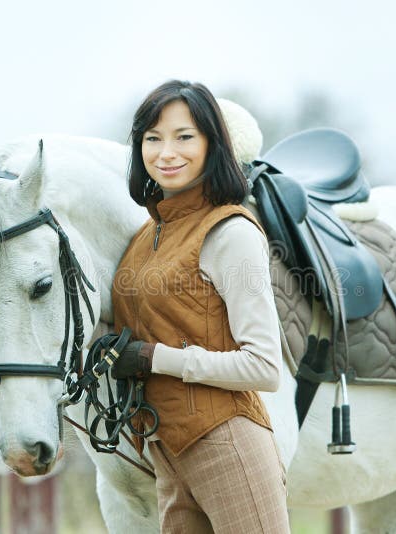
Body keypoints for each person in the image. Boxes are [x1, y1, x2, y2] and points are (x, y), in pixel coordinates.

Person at [108, 80, 290, 533]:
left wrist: (156, 358)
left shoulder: (231, 233)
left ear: (213, 143)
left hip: (227, 444)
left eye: (184, 137)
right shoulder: (146, 235)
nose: (166, 152)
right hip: (167, 454)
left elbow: (265, 366)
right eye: (153, 139)